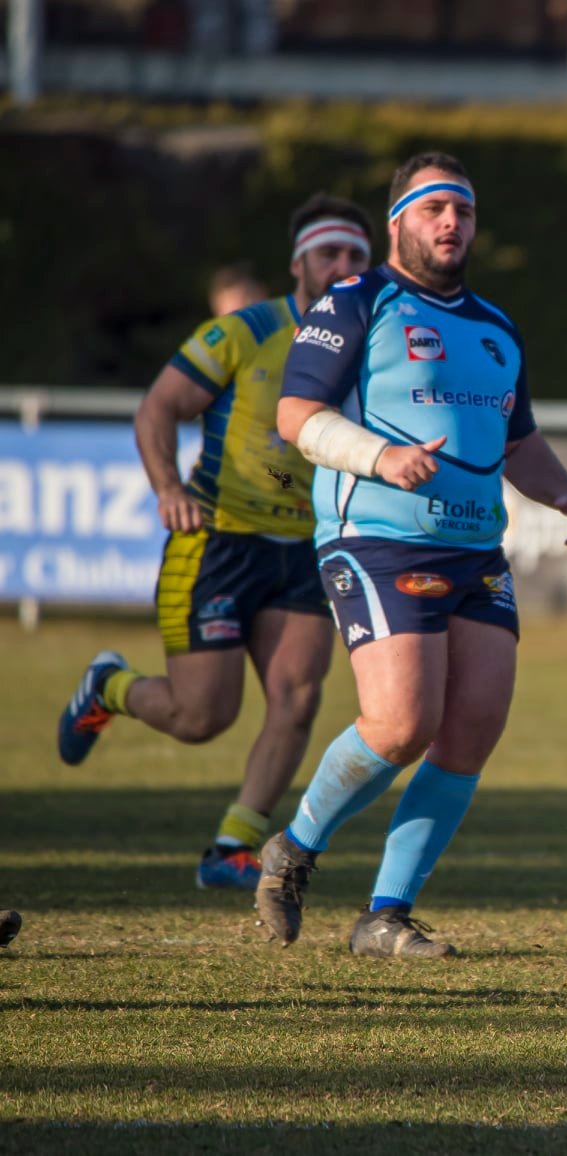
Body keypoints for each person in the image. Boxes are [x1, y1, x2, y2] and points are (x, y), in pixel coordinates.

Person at [256, 152, 567, 959]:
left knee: (470, 731)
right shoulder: (356, 300)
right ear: (399, 222)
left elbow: (518, 439)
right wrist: (379, 457)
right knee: (402, 721)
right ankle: (294, 848)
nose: (451, 224)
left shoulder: (496, 327)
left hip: (475, 548)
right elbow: (296, 415)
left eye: (464, 212)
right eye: (434, 208)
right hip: (378, 537)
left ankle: (386, 915)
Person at [56, 194, 373, 890]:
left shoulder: (377, 339)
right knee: (203, 716)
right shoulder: (247, 329)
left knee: (297, 697)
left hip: (305, 547)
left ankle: (233, 845)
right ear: (299, 264)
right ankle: (108, 685)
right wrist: (169, 488)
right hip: (218, 538)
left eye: (357, 255)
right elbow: (158, 407)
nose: (343, 266)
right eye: (330, 253)